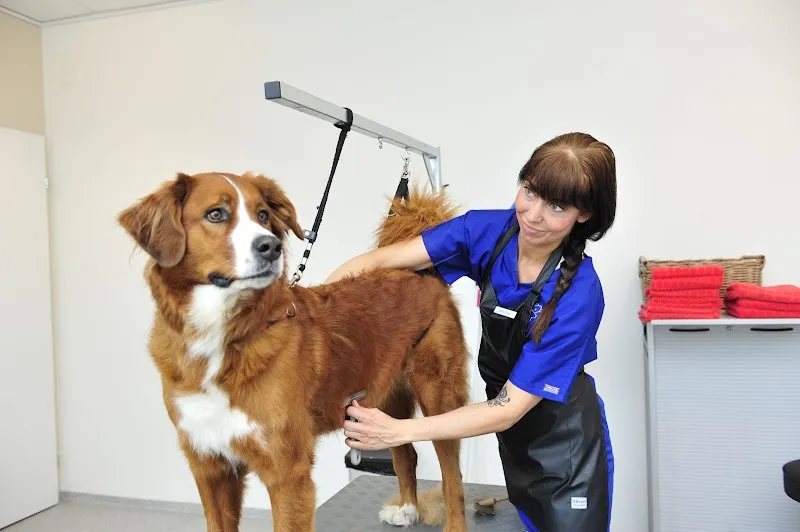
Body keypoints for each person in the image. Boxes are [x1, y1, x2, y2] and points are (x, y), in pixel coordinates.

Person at [324, 132, 617, 532]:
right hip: (515, 445)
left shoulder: (580, 294)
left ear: (583, 215)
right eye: (529, 192)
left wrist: (398, 430)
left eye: (556, 206)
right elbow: (382, 260)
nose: (532, 215)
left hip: (565, 447)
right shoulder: (488, 231)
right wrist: (315, 307)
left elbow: (509, 408)